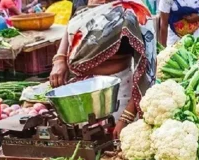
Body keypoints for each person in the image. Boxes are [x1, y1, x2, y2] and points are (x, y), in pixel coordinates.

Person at [49, 0, 156, 138]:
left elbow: (147, 68)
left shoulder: (134, 8)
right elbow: (72, 22)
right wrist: (59, 59)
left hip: (116, 94)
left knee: (112, 150)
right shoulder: (82, 1)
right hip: (78, 92)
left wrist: (126, 117)